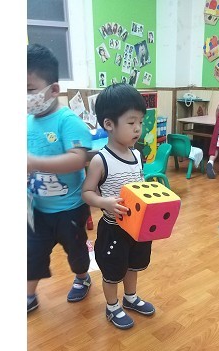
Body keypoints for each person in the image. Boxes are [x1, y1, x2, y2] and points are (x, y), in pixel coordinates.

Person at [82, 84, 156, 329]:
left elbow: (138, 185)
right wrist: (104, 202)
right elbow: (87, 193)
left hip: (137, 226)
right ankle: (112, 306)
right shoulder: (100, 160)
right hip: (114, 228)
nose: (138, 128)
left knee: (134, 264)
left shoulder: (137, 155)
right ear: (109, 124)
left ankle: (130, 298)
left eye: (140, 122)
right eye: (131, 122)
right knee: (113, 271)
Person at [26, 44, 93, 313]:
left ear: (54, 89)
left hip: (70, 209)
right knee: (32, 253)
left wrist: (35, 163)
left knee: (76, 253)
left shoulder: (68, 121)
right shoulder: (26, 121)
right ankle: (28, 296)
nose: (25, 97)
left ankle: (82, 277)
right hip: (37, 209)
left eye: (29, 89)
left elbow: (78, 159)